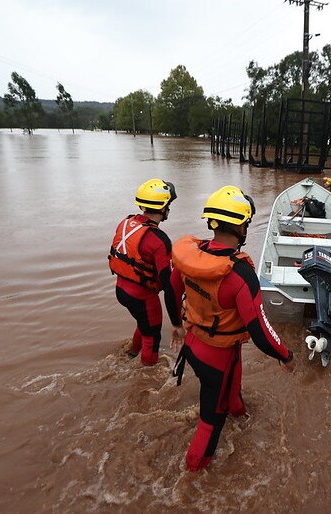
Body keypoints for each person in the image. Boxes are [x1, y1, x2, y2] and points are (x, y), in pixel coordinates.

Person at [170, 185, 295, 472]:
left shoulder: (191, 257)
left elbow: (171, 289)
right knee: (211, 419)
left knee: (231, 392)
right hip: (217, 357)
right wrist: (286, 355)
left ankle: (241, 413)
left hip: (193, 345)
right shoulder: (241, 275)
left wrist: (177, 325)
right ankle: (192, 478)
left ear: (211, 221)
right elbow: (262, 332)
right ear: (242, 226)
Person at [108, 178, 182, 366]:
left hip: (121, 290)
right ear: (164, 207)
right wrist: (177, 323)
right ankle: (146, 378)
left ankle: (132, 354)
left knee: (143, 322)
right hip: (143, 297)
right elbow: (168, 287)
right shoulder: (159, 240)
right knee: (152, 336)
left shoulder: (126, 222)